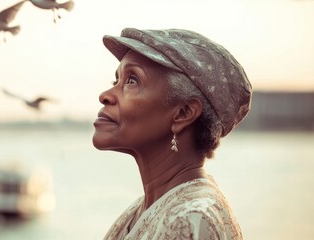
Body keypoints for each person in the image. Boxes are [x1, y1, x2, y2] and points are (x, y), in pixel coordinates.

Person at [92, 28, 252, 239]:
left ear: (183, 113)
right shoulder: (145, 209)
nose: (105, 95)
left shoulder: (190, 219)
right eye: (116, 81)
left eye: (132, 80)